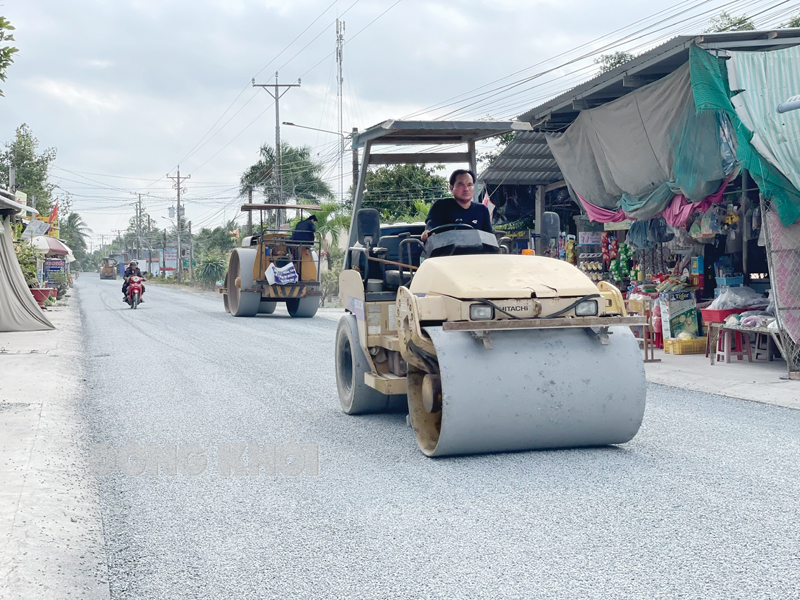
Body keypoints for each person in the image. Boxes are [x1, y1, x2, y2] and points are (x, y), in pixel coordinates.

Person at [421, 169, 492, 242]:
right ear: (451, 188)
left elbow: (489, 237)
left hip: (476, 252)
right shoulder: (441, 206)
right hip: (447, 252)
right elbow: (432, 224)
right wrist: (427, 231)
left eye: (469, 185)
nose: (466, 189)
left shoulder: (482, 210)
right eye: (461, 184)